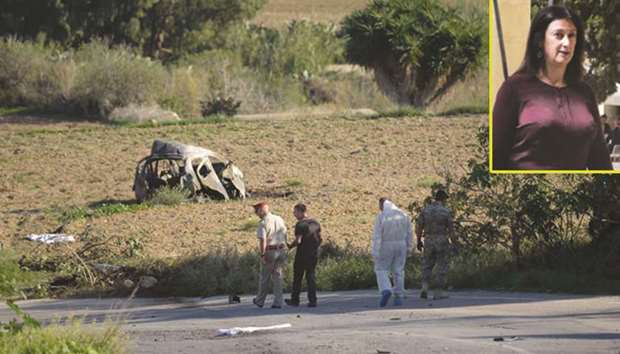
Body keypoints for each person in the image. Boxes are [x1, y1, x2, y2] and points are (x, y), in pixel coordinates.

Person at [492, 5, 612, 170]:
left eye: (572, 36)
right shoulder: (514, 89)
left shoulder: (585, 93)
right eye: (559, 35)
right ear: (540, 40)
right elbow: (497, 157)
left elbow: (600, 160)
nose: (566, 42)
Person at [371, 198, 413, 307]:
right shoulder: (404, 215)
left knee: (381, 269)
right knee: (399, 271)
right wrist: (409, 247)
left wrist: (375, 252)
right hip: (401, 245)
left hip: (386, 244)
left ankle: (386, 289)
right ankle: (398, 296)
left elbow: (377, 236)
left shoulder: (382, 216)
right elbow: (410, 233)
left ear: (382, 204)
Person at [415, 190, 455, 300]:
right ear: (444, 199)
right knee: (441, 265)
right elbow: (451, 230)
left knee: (427, 265)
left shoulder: (425, 210)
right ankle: (438, 292)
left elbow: (418, 227)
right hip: (442, 239)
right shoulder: (446, 211)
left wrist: (418, 240)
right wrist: (454, 242)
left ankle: (424, 287)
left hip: (428, 240)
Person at [285, 203, 322, 308]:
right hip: (313, 254)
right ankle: (313, 300)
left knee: (298, 278)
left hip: (302, 255)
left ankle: (295, 300)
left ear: (301, 212)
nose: (294, 214)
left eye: (295, 212)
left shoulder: (300, 224)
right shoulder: (315, 223)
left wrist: (290, 246)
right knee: (311, 277)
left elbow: (298, 240)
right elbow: (319, 238)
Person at [252, 202, 288, 309]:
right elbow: (285, 233)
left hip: (270, 251)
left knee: (265, 277)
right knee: (278, 277)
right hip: (281, 249)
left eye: (257, 210)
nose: (256, 213)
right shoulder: (279, 218)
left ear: (262, 210)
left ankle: (260, 300)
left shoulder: (263, 223)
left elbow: (263, 240)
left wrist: (263, 254)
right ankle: (278, 302)